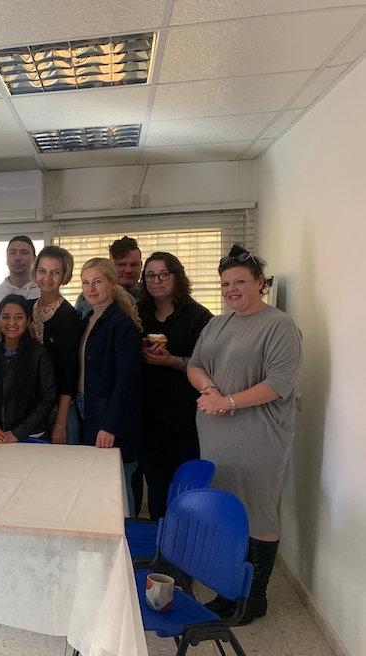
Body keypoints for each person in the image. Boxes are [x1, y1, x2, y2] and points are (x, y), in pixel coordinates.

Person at [188, 245, 302, 626]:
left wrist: (228, 402)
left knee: (257, 512)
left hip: (258, 436)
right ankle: (228, 591)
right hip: (216, 436)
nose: (231, 289)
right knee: (226, 513)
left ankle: (254, 598)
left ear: (260, 282)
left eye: (239, 281)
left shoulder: (279, 325)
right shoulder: (217, 324)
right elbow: (195, 364)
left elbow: (279, 383)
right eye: (225, 284)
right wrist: (208, 389)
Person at [137, 252, 212, 520]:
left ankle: (185, 541)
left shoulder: (198, 316)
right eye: (150, 276)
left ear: (177, 277)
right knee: (156, 490)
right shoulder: (139, 314)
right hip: (148, 418)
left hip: (185, 420)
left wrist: (171, 361)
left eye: (163, 274)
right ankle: (160, 542)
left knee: (185, 491)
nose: (156, 281)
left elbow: (210, 365)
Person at [78, 257, 143, 518]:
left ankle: (127, 538)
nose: (90, 288)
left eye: (97, 281)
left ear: (112, 283)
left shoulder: (121, 324)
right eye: (85, 282)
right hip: (89, 409)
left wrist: (109, 426)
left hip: (112, 419)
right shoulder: (88, 319)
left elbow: (127, 382)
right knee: (99, 487)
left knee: (118, 488)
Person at [0, 295, 56, 442]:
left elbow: (48, 399)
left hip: (33, 435)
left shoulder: (39, 353)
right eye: (6, 317)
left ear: (28, 320)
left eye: (18, 317)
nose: (12, 323)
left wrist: (19, 432)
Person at [29, 245, 80, 445]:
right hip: (35, 403)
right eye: (42, 271)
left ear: (64, 276)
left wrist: (60, 423)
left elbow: (69, 370)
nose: (47, 278)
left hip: (60, 406)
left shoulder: (67, 315)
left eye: (55, 272)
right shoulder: (28, 308)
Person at [0, 236, 41, 344]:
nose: (17, 257)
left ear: (34, 259)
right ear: (6, 258)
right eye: (13, 253)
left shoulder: (43, 294)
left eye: (24, 252)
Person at [75, 236, 142, 318]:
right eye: (121, 265)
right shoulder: (88, 298)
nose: (128, 270)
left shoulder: (149, 295)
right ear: (111, 266)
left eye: (134, 265)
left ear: (141, 265)